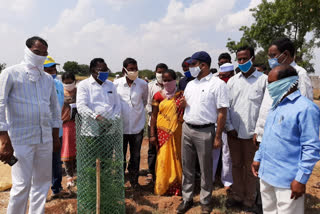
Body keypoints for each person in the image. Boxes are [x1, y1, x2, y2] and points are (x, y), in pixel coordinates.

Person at [0, 36, 62, 214]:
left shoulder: (47, 79)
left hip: (44, 139)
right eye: (37, 52)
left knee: (42, 183)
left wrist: (55, 136)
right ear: (27, 51)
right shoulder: (10, 74)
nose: (41, 56)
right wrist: (4, 139)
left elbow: (54, 109)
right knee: (21, 185)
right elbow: (1, 104)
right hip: (20, 139)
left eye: (44, 53)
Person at [252, 64, 320, 214]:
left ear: (286, 82)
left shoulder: (306, 109)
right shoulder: (276, 105)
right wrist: (258, 158)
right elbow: (267, 135)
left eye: (271, 83)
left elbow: (311, 148)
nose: (268, 87)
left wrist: (301, 179)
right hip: (266, 174)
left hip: (287, 181)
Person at [176, 51, 229, 214]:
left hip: (205, 131)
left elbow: (222, 112)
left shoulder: (217, 84)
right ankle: (187, 198)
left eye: (193, 64)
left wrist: (218, 136)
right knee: (188, 167)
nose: (190, 68)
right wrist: (183, 105)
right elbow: (188, 105)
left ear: (203, 65)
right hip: (187, 128)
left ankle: (205, 200)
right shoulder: (191, 84)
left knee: (206, 168)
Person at [226, 46, 268, 211]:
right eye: (239, 59)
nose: (242, 62)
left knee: (251, 169)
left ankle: (250, 200)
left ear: (253, 59)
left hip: (253, 135)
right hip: (234, 134)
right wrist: (229, 127)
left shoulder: (263, 80)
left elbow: (265, 108)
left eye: (245, 59)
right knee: (236, 165)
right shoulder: (232, 81)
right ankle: (237, 195)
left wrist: (258, 131)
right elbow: (226, 107)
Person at [254, 37, 314, 145]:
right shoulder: (273, 74)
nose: (269, 59)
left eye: (273, 55)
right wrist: (258, 131)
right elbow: (266, 105)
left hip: (285, 140)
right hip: (266, 136)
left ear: (285, 54)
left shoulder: (300, 75)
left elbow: (304, 112)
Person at [114, 58, 148, 189]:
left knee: (135, 155)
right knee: (120, 156)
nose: (134, 71)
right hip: (120, 128)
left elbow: (144, 101)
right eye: (131, 69)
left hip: (137, 127)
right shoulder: (116, 85)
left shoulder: (142, 85)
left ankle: (134, 180)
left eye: (135, 68)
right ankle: (119, 181)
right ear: (124, 70)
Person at [150, 69, 184, 196]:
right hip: (162, 133)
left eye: (170, 80)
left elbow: (184, 115)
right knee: (163, 158)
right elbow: (153, 116)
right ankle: (163, 186)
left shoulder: (181, 96)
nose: (167, 82)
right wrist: (152, 135)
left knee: (177, 158)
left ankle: (177, 187)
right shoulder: (158, 96)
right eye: (165, 80)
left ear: (175, 80)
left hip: (177, 132)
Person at [43, 56, 64, 200]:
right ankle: (42, 193)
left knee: (56, 162)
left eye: (54, 69)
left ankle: (56, 189)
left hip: (58, 129)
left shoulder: (58, 84)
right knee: (43, 163)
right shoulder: (39, 85)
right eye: (49, 70)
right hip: (43, 130)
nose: (52, 72)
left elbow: (60, 105)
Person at [212, 63, 234, 191]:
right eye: (220, 76)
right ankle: (211, 179)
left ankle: (227, 181)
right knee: (212, 154)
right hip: (216, 124)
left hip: (229, 126)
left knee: (227, 155)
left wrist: (230, 126)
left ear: (231, 75)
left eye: (225, 76)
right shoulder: (216, 85)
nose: (222, 78)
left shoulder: (234, 85)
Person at [146, 63, 167, 183]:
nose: (161, 74)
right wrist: (154, 115)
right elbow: (148, 103)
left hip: (167, 125)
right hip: (153, 123)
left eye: (163, 72)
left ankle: (163, 172)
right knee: (152, 148)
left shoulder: (170, 86)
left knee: (165, 148)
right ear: (155, 72)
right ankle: (151, 172)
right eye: (159, 72)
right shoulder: (150, 86)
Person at [61, 72, 77, 189]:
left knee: (78, 150)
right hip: (65, 125)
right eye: (66, 83)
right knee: (67, 151)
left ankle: (77, 172)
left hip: (79, 125)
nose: (68, 85)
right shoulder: (61, 92)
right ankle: (69, 175)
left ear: (74, 81)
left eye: (70, 82)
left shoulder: (79, 91)